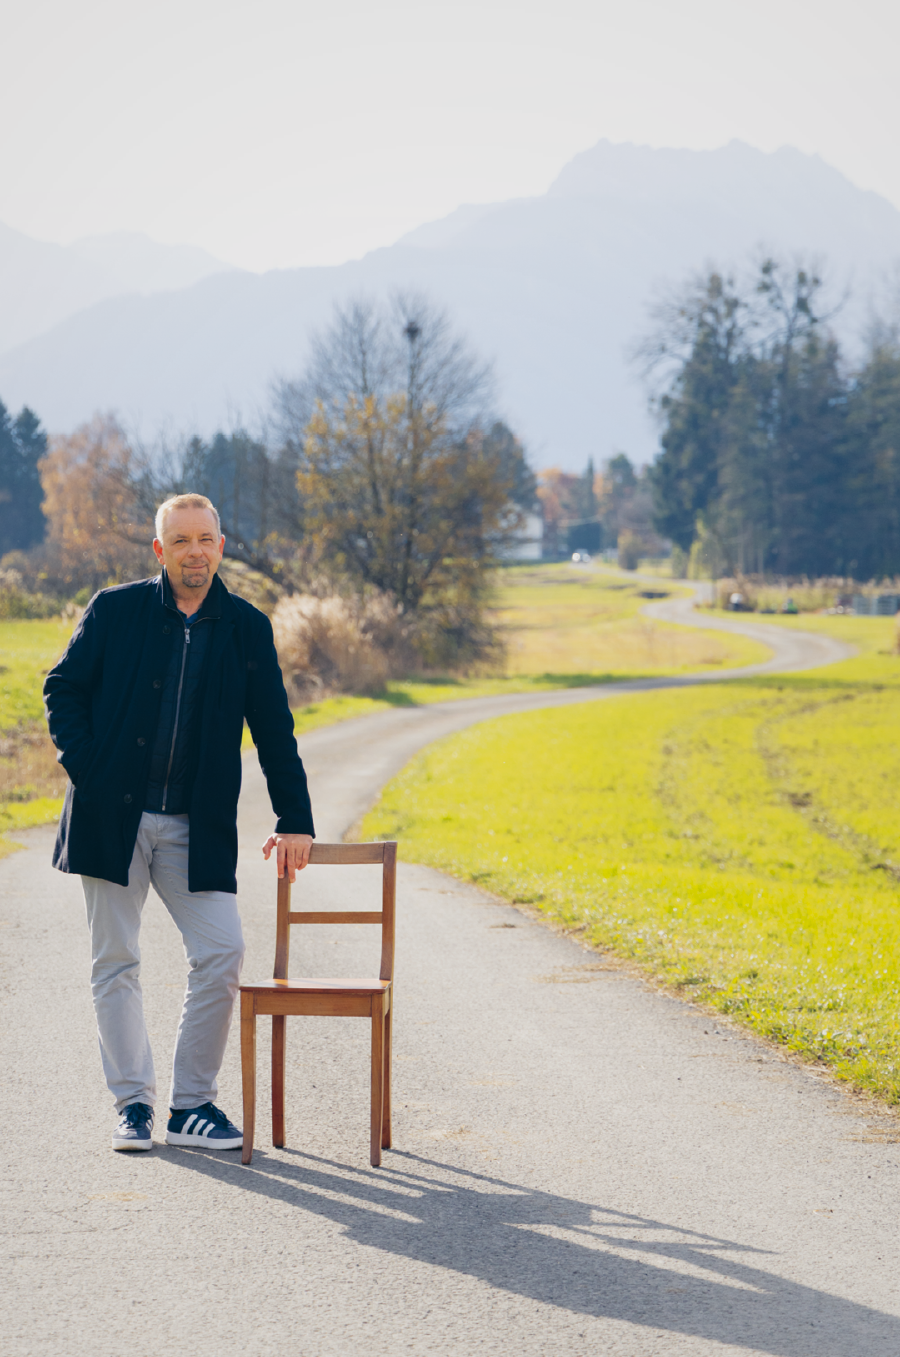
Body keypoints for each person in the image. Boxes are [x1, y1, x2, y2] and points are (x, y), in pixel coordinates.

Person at [44, 493, 315, 1152]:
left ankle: (191, 1105)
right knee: (116, 961)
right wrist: (90, 771)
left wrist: (296, 816)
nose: (196, 550)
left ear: (221, 546)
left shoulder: (246, 627)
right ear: (160, 550)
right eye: (181, 540)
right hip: (113, 819)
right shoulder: (115, 610)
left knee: (221, 951)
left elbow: (274, 728)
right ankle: (133, 1104)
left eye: (206, 538)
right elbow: (63, 688)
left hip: (196, 824)